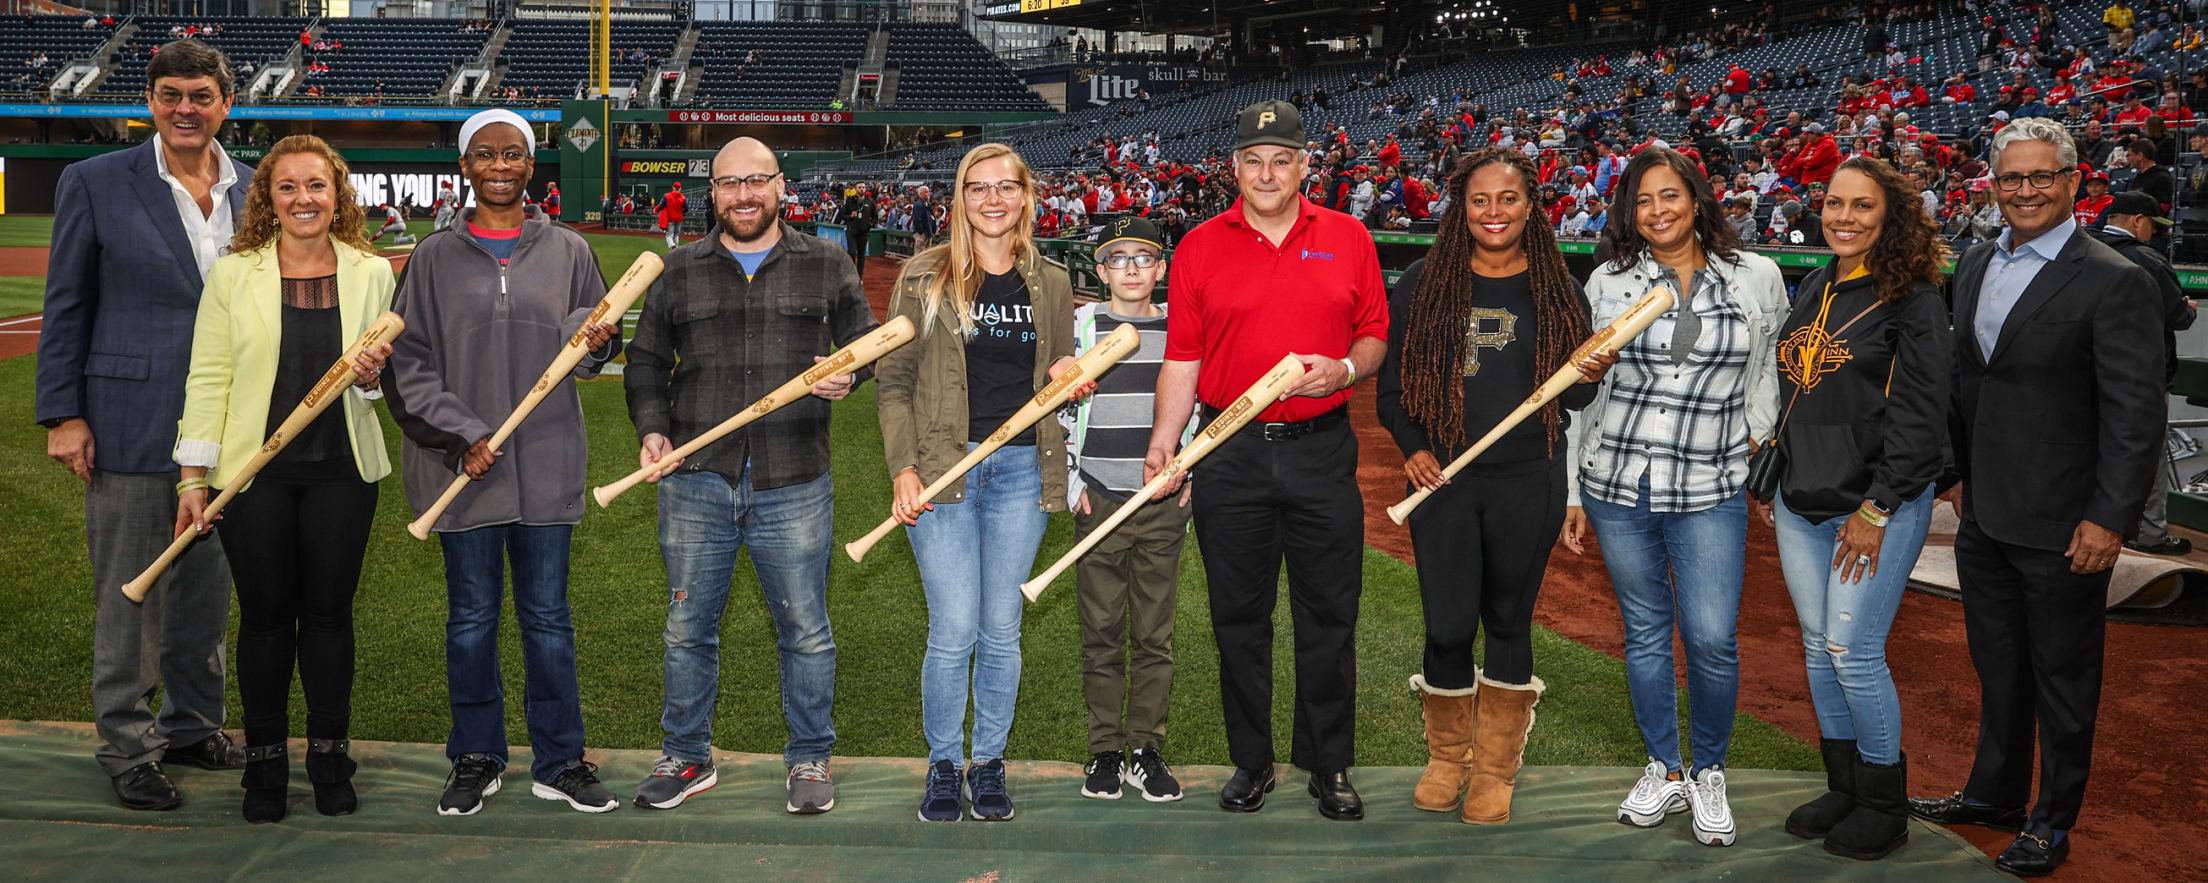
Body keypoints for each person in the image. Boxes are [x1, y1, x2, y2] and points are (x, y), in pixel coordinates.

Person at [1908, 117, 2164, 878]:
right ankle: (1994, 793)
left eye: (2041, 176)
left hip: (2066, 523)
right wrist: (1953, 473)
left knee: (2064, 677)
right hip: (1984, 513)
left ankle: (2053, 820)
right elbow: (1966, 378)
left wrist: (2109, 517)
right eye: (2012, 177)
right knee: (2000, 667)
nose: (2025, 190)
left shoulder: (2115, 277)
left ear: (2074, 181)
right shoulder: (1979, 259)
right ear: (1993, 183)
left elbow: (2134, 413)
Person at [1145, 101, 1389, 820]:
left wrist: (1343, 369)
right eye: (1254, 160)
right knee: (1239, 619)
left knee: (1329, 615)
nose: (1268, 172)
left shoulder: (1348, 237)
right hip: (1229, 451)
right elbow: (1183, 359)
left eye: (1283, 158)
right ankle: (1252, 762)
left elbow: (1374, 335)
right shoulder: (1198, 245)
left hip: (1321, 449)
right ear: (1235, 169)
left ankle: (1328, 763)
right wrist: (1168, 436)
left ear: (1306, 165)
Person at [622, 138, 877, 814]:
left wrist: (853, 369)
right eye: (730, 183)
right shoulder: (679, 269)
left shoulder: (826, 262)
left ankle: (810, 757)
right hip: (695, 477)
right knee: (687, 628)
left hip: (793, 477)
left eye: (756, 180)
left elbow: (869, 340)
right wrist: (653, 429)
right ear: (714, 193)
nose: (743, 195)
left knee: (806, 628)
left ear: (781, 186)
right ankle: (686, 756)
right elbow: (646, 361)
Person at [385, 109, 624, 817]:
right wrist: (463, 433)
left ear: (530, 165)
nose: (499, 164)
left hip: (547, 466)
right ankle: (477, 754)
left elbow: (593, 353)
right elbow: (410, 364)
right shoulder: (430, 258)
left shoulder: (571, 250)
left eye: (512, 154)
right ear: (465, 166)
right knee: (471, 619)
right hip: (463, 473)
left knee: (549, 620)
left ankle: (560, 759)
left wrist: (601, 342)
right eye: (485, 154)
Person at [35, 38, 254, 812]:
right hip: (130, 413)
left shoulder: (252, 189)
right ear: (151, 102)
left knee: (205, 586)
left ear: (227, 102)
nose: (185, 109)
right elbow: (66, 303)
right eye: (170, 95)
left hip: (229, 430)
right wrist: (64, 413)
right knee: (131, 590)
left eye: (200, 95)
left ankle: (194, 723)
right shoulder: (94, 181)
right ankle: (128, 743)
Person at [1564, 145, 1788, 847]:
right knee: (1646, 633)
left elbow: (1769, 368)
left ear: (1697, 199)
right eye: (1642, 201)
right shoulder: (1607, 281)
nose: (1657, 211)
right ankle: (1664, 765)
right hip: (1618, 482)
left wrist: (1754, 437)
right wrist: (1573, 489)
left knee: (1713, 638)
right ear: (1628, 212)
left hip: (1709, 486)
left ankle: (1709, 768)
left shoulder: (1757, 276)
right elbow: (1581, 396)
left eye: (1670, 195)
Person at [172, 135, 395, 824]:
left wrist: (370, 382)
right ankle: (265, 764)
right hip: (252, 477)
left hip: (341, 472)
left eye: (317, 186)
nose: (304, 199)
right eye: (289, 187)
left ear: (338, 194)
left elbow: (376, 387)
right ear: (266, 197)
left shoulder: (372, 271)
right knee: (266, 621)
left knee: (328, 618)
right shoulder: (234, 273)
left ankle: (331, 758)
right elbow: (209, 376)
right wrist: (193, 477)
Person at [1374, 148, 1595, 825]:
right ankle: (1447, 758)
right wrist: (1413, 448)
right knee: (1447, 625)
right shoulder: (1421, 281)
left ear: (1532, 205)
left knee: (1506, 619)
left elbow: (1578, 404)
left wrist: (1590, 376)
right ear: (1460, 206)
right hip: (1441, 479)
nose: (1493, 213)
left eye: (1507, 199)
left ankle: (1495, 769)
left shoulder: (1560, 288)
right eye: (1479, 200)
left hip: (1528, 477)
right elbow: (1390, 391)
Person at [875, 143, 1077, 823]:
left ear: (1026, 195)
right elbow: (894, 380)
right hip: (942, 468)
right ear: (959, 199)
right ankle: (942, 762)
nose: (993, 200)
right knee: (954, 626)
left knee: (1000, 627)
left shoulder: (1050, 280)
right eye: (977, 188)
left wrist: (1068, 379)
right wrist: (904, 466)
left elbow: (1060, 373)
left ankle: (987, 761)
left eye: (1006, 187)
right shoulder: (922, 276)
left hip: (1022, 469)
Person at [1765, 157, 1952, 861]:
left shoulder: (1915, 297)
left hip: (1876, 501)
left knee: (1852, 648)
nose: (1844, 217)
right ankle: (1844, 786)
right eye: (1835, 203)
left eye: (1863, 206)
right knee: (1818, 648)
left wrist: (1877, 509)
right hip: (1801, 496)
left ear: (1891, 215)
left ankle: (1884, 803)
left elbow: (1922, 414)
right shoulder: (1816, 283)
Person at [1062, 216, 1194, 804]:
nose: (1132, 269)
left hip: (1161, 503)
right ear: (1101, 269)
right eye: (1118, 259)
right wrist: (1070, 481)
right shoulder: (1082, 327)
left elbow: (1197, 408)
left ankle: (1146, 746)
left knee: (1155, 635)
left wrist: (1189, 465)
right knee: (1102, 634)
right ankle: (1105, 750)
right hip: (1099, 496)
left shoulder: (1181, 330)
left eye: (1144, 258)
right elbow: (1057, 411)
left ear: (1161, 268)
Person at [2087, 191, 2196, 556]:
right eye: (2152, 224)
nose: (2155, 232)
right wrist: (2189, 308)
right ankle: (2149, 535)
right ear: (2137, 220)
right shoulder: (2146, 257)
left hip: (2080, 374)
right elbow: (2177, 315)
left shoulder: (2078, 247)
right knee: (2143, 450)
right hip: (2139, 378)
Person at [840, 183, 877, 277]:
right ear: (856, 189)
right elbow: (843, 215)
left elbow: (875, 216)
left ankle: (859, 277)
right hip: (852, 231)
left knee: (861, 255)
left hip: (864, 232)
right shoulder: (850, 200)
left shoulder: (870, 201)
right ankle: (851, 273)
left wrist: (870, 225)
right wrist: (850, 216)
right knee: (852, 252)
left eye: (863, 187)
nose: (862, 189)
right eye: (859, 187)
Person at [657, 181, 687, 250]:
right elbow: (686, 208)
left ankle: (672, 245)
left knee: (669, 235)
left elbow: (661, 206)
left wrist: (659, 210)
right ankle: (676, 249)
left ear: (673, 187)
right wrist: (681, 212)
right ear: (680, 188)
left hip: (670, 218)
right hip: (679, 218)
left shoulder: (667, 196)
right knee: (676, 235)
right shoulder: (683, 197)